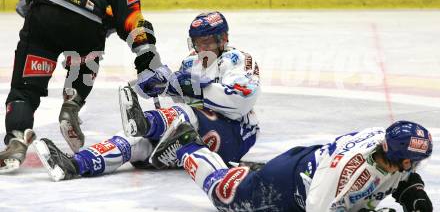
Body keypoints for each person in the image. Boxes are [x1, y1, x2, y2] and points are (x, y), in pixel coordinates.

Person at [0, 0, 160, 173]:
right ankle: (72, 105)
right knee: (89, 49)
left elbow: (24, 5)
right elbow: (130, 17)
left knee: (24, 89)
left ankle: (16, 140)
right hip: (83, 22)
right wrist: (145, 53)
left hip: (40, 13)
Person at [34, 11, 261, 181]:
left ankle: (146, 123)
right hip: (195, 137)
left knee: (183, 115)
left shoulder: (238, 60)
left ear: (223, 39)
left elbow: (240, 101)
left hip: (234, 134)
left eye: (209, 41)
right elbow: (184, 93)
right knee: (136, 144)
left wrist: (191, 87)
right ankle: (74, 165)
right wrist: (162, 85)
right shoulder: (192, 62)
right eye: (199, 42)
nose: (203, 47)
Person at [147, 119, 433, 212]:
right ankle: (186, 144)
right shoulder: (346, 174)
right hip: (283, 186)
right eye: (414, 162)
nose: (415, 166)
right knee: (223, 194)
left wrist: (413, 193)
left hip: (311, 163)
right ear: (402, 158)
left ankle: (245, 172)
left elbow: (398, 175)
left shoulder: (386, 145)